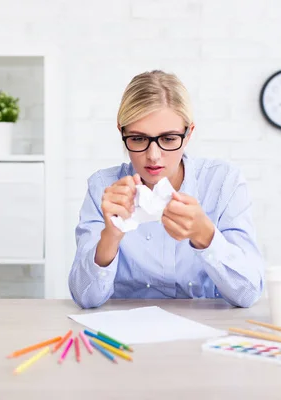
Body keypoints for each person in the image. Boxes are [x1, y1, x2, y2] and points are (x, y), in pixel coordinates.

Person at [68, 70, 265, 309]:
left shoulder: (222, 183)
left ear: (189, 133)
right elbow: (85, 298)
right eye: (139, 139)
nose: (153, 156)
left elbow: (249, 293)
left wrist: (206, 236)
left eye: (169, 139)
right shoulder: (103, 187)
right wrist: (111, 236)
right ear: (122, 132)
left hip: (206, 328)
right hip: (127, 331)